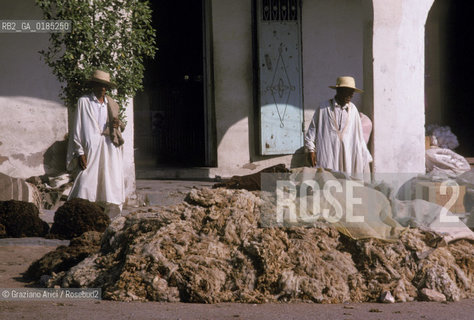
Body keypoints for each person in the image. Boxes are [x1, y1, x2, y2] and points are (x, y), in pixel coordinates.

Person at [66, 70, 125, 213]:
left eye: (105, 86)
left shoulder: (111, 104)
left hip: (108, 146)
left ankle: (104, 212)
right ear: (93, 86)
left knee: (109, 178)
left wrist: (117, 125)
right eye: (99, 85)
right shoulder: (84, 102)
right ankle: (79, 209)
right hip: (90, 147)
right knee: (86, 179)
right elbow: (77, 128)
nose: (102, 89)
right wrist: (80, 152)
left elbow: (118, 126)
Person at [304, 76, 372, 177]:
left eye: (352, 92)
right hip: (328, 155)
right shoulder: (323, 108)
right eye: (348, 91)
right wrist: (311, 150)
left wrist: (364, 157)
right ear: (339, 90)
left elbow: (358, 137)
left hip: (347, 157)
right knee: (328, 184)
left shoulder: (353, 110)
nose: (351, 95)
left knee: (347, 187)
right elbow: (312, 131)